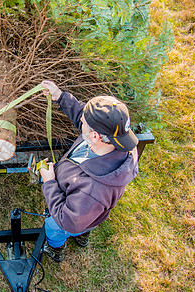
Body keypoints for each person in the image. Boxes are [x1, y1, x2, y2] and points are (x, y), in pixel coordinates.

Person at [39, 80, 139, 262]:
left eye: (84, 123)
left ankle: (56, 248)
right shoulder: (116, 141)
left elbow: (66, 218)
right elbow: (82, 115)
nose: (81, 122)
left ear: (95, 136)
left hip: (72, 217)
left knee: (54, 227)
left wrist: (49, 182)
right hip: (88, 210)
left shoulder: (93, 190)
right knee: (86, 218)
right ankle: (83, 233)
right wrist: (60, 96)